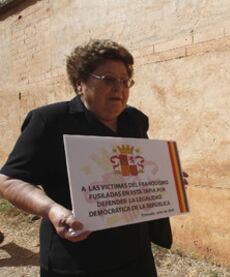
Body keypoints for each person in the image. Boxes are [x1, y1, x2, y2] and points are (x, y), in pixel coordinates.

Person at [0, 39, 185, 276]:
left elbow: (136, 170)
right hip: (77, 259)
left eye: (125, 80)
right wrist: (54, 211)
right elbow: (9, 180)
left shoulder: (135, 120)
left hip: (135, 255)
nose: (119, 87)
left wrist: (165, 179)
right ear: (80, 83)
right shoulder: (49, 121)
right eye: (108, 79)